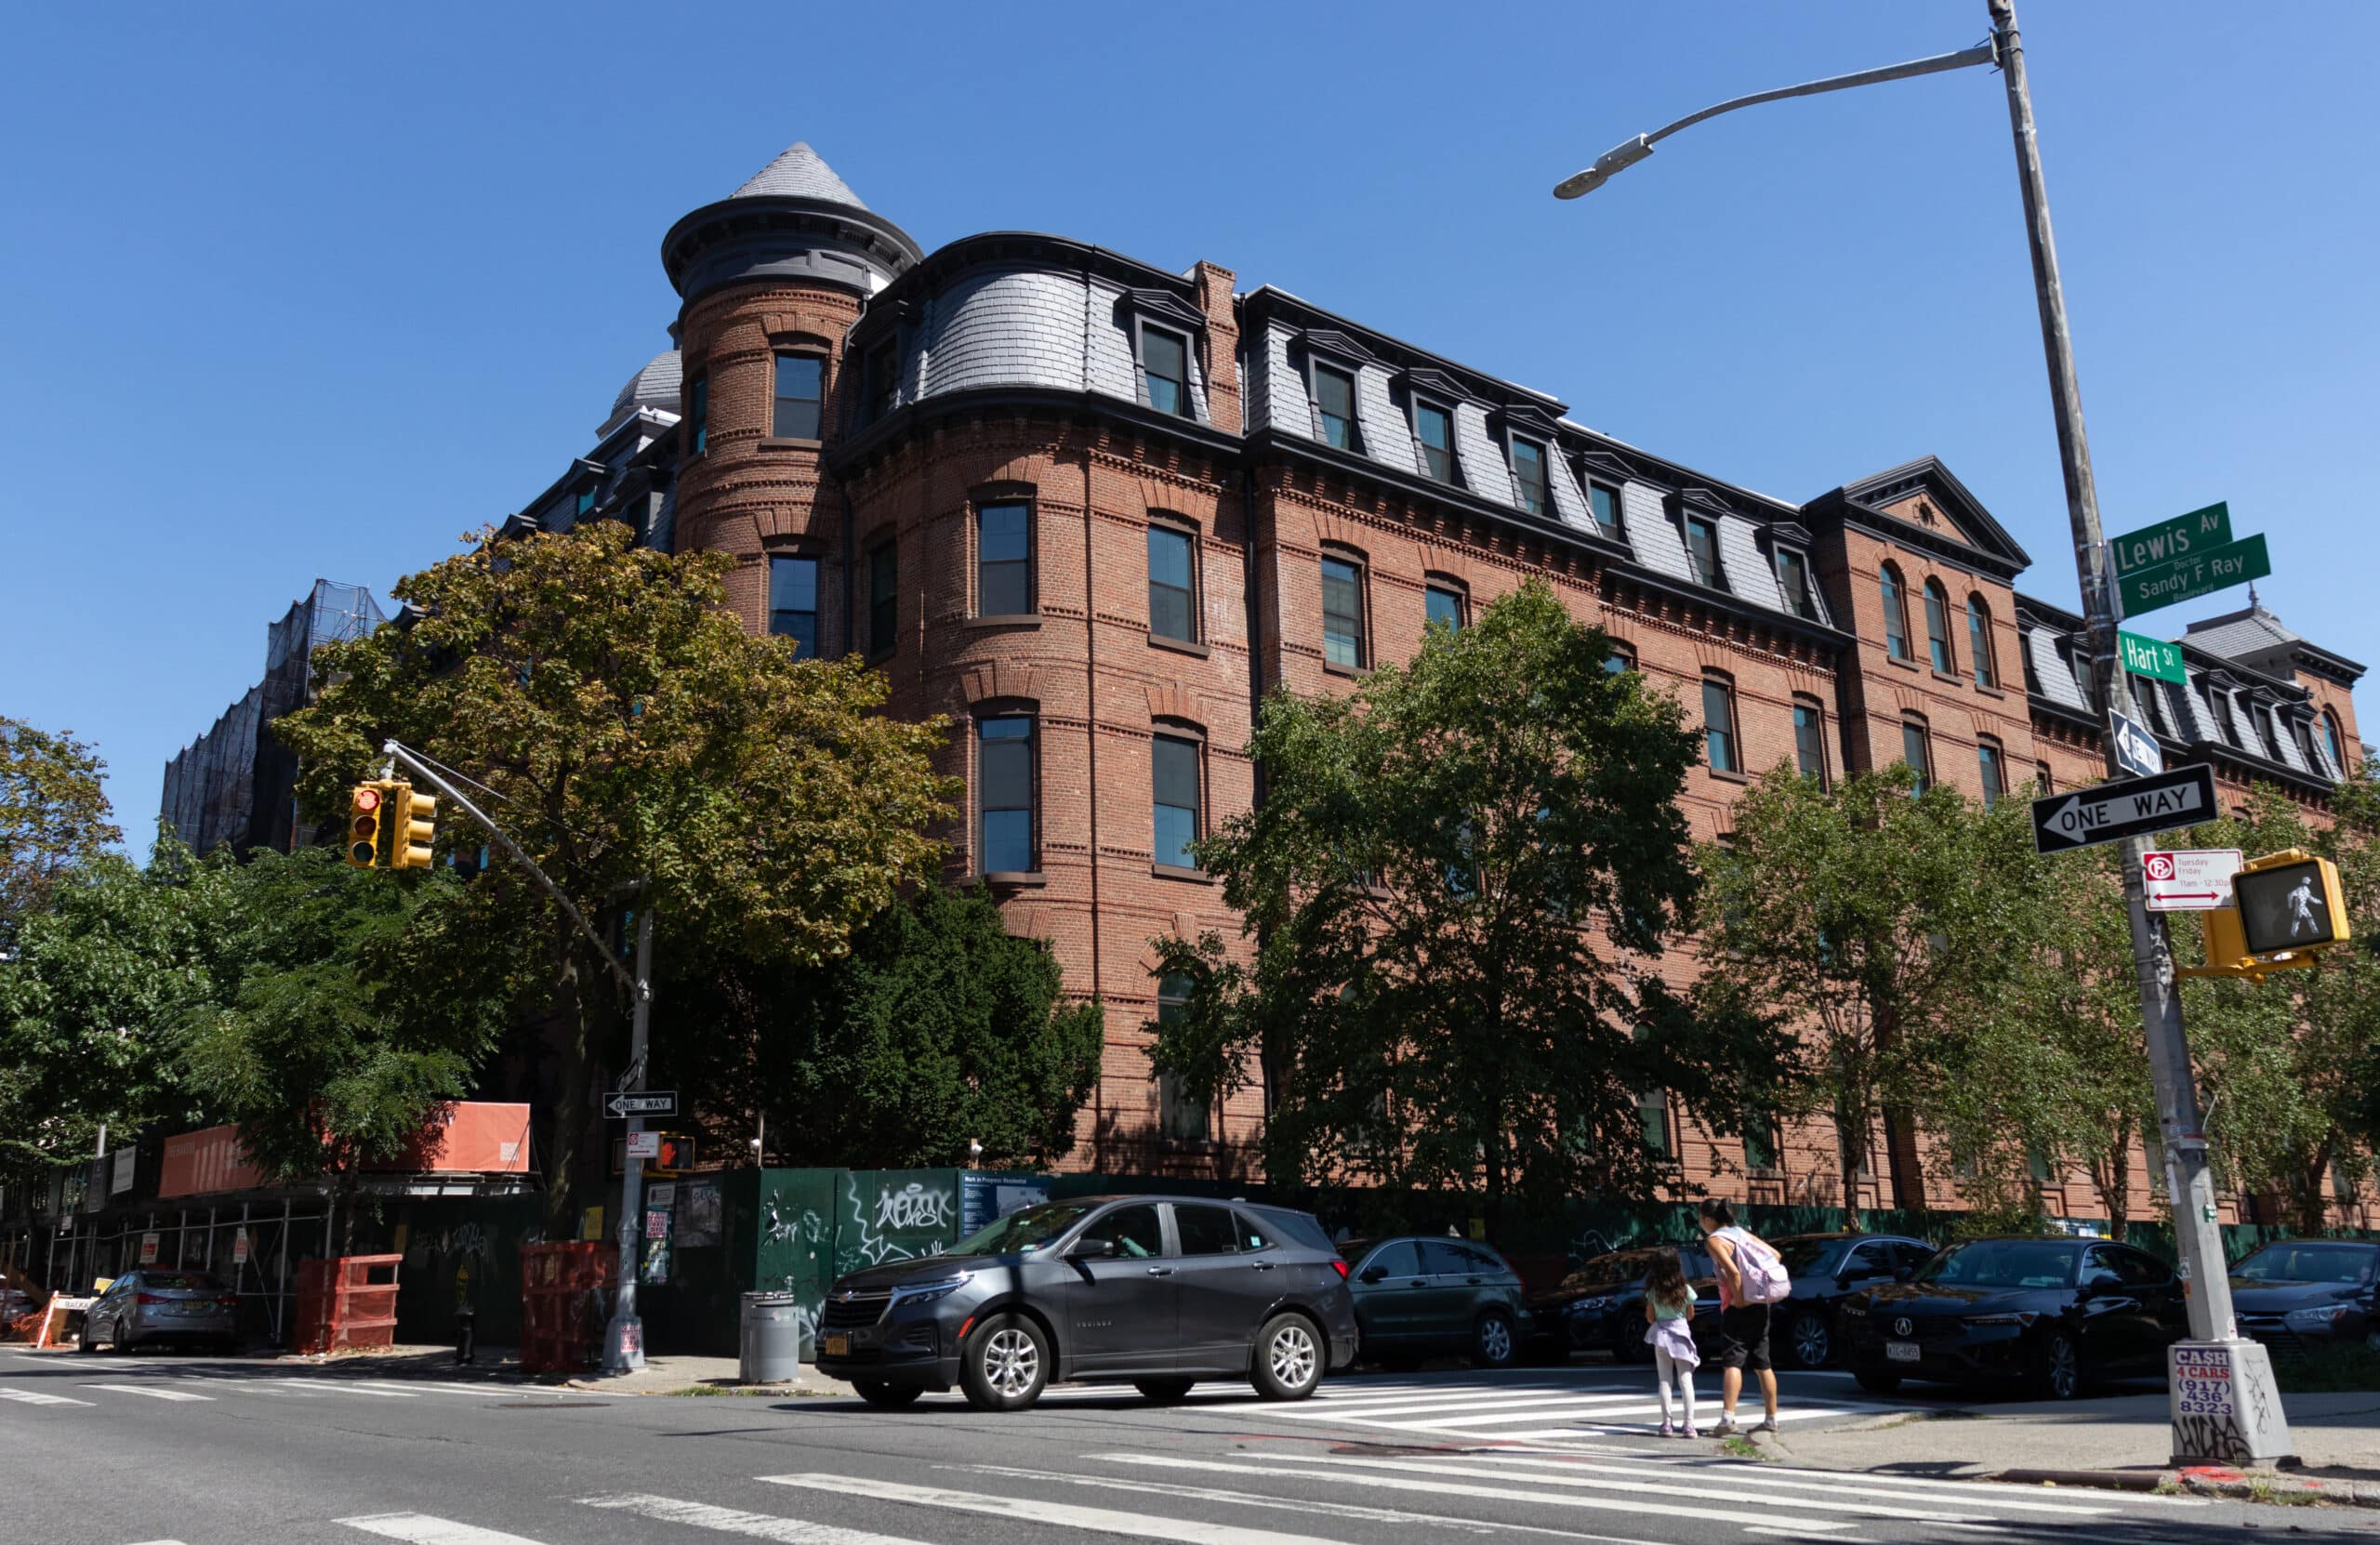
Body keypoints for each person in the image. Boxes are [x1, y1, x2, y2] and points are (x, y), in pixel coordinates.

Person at [1697, 1197, 1778, 1437]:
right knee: (1763, 1363)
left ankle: (1727, 1418)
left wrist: (1739, 1299)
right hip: (1760, 1304)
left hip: (1737, 1307)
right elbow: (1775, 1255)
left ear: (1709, 1219)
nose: (1702, 1224)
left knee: (1732, 1362)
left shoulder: (1715, 1240)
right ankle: (1771, 1418)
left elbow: (1732, 1272)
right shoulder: (1742, 1234)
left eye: (1702, 1219)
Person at [1641, 1247, 1699, 1438]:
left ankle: (1667, 1424)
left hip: (1662, 1338)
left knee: (1665, 1380)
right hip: (1681, 1336)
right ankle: (1689, 1425)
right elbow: (1690, 1315)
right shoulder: (1685, 1289)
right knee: (1686, 1380)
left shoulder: (1653, 1292)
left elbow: (1650, 1318)